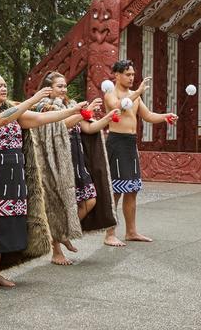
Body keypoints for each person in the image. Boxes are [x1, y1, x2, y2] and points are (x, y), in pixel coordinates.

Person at [0, 73, 81, 290]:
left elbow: (40, 119)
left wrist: (74, 111)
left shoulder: (11, 109)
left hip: (15, 175)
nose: (3, 89)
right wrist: (33, 100)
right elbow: (0, 121)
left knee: (6, 223)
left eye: (5, 85)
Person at [33, 71, 119, 265]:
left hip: (77, 160)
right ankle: (56, 251)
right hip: (56, 162)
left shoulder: (70, 106)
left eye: (65, 86)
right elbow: (59, 125)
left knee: (89, 201)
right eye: (59, 86)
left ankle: (64, 234)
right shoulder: (42, 107)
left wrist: (107, 117)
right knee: (59, 206)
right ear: (48, 88)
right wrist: (80, 112)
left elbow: (88, 128)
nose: (64, 90)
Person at [101, 60, 177, 247]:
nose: (132, 77)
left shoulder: (134, 96)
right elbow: (118, 107)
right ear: (117, 75)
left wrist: (165, 116)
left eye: (133, 74)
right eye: (128, 74)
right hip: (116, 143)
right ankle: (109, 234)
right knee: (116, 190)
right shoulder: (111, 93)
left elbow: (148, 115)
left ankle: (131, 231)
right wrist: (138, 92)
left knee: (132, 189)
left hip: (130, 143)